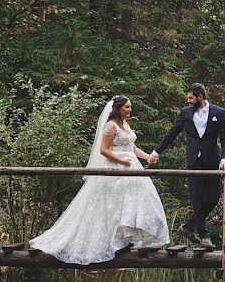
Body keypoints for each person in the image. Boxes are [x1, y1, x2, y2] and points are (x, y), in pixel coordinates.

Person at [29, 95, 169, 264]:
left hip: (131, 166)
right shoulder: (110, 126)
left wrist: (147, 157)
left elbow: (131, 147)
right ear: (117, 109)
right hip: (116, 167)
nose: (130, 110)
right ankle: (114, 240)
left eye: (130, 107)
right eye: (127, 107)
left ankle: (126, 238)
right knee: (114, 203)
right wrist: (121, 161)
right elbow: (104, 150)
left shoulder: (124, 125)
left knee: (137, 199)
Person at [146, 83, 225, 248]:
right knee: (197, 198)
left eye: (191, 97)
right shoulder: (185, 113)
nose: (188, 100)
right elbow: (172, 133)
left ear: (200, 96)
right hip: (193, 160)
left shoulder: (218, 113)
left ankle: (188, 227)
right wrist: (156, 153)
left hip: (212, 160)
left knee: (214, 197)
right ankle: (204, 236)